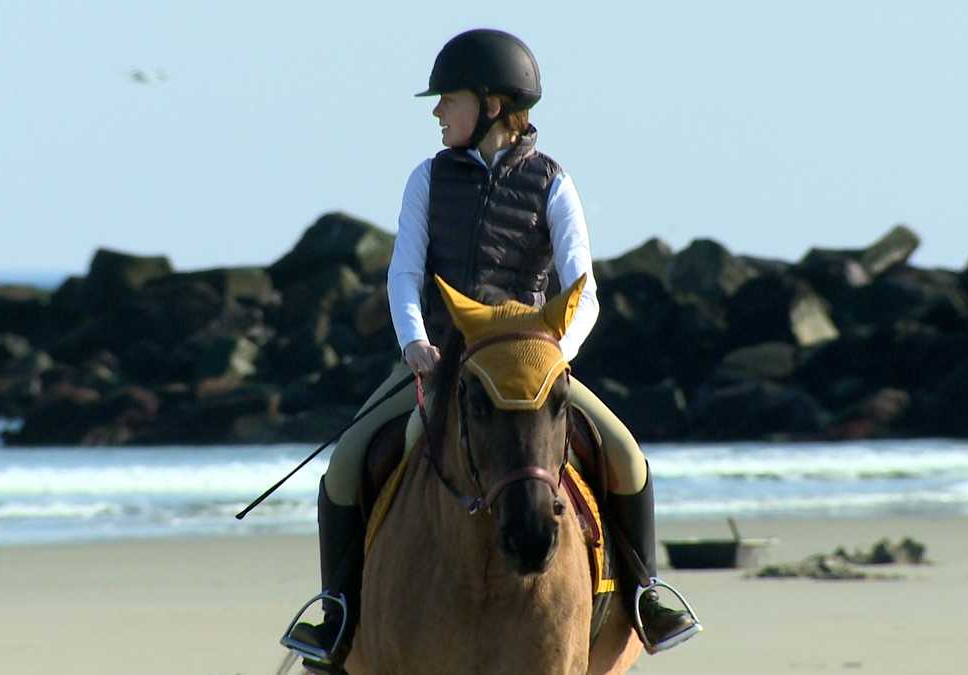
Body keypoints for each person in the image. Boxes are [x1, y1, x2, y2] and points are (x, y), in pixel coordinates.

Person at [296, 28, 700, 671]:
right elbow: (404, 273)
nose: (436, 112)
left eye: (447, 99)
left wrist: (550, 354)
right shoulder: (427, 179)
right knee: (347, 464)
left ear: (490, 104)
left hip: (534, 362)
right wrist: (415, 343)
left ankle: (647, 595)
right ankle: (336, 613)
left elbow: (583, 288)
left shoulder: (552, 182)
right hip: (444, 360)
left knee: (626, 457)